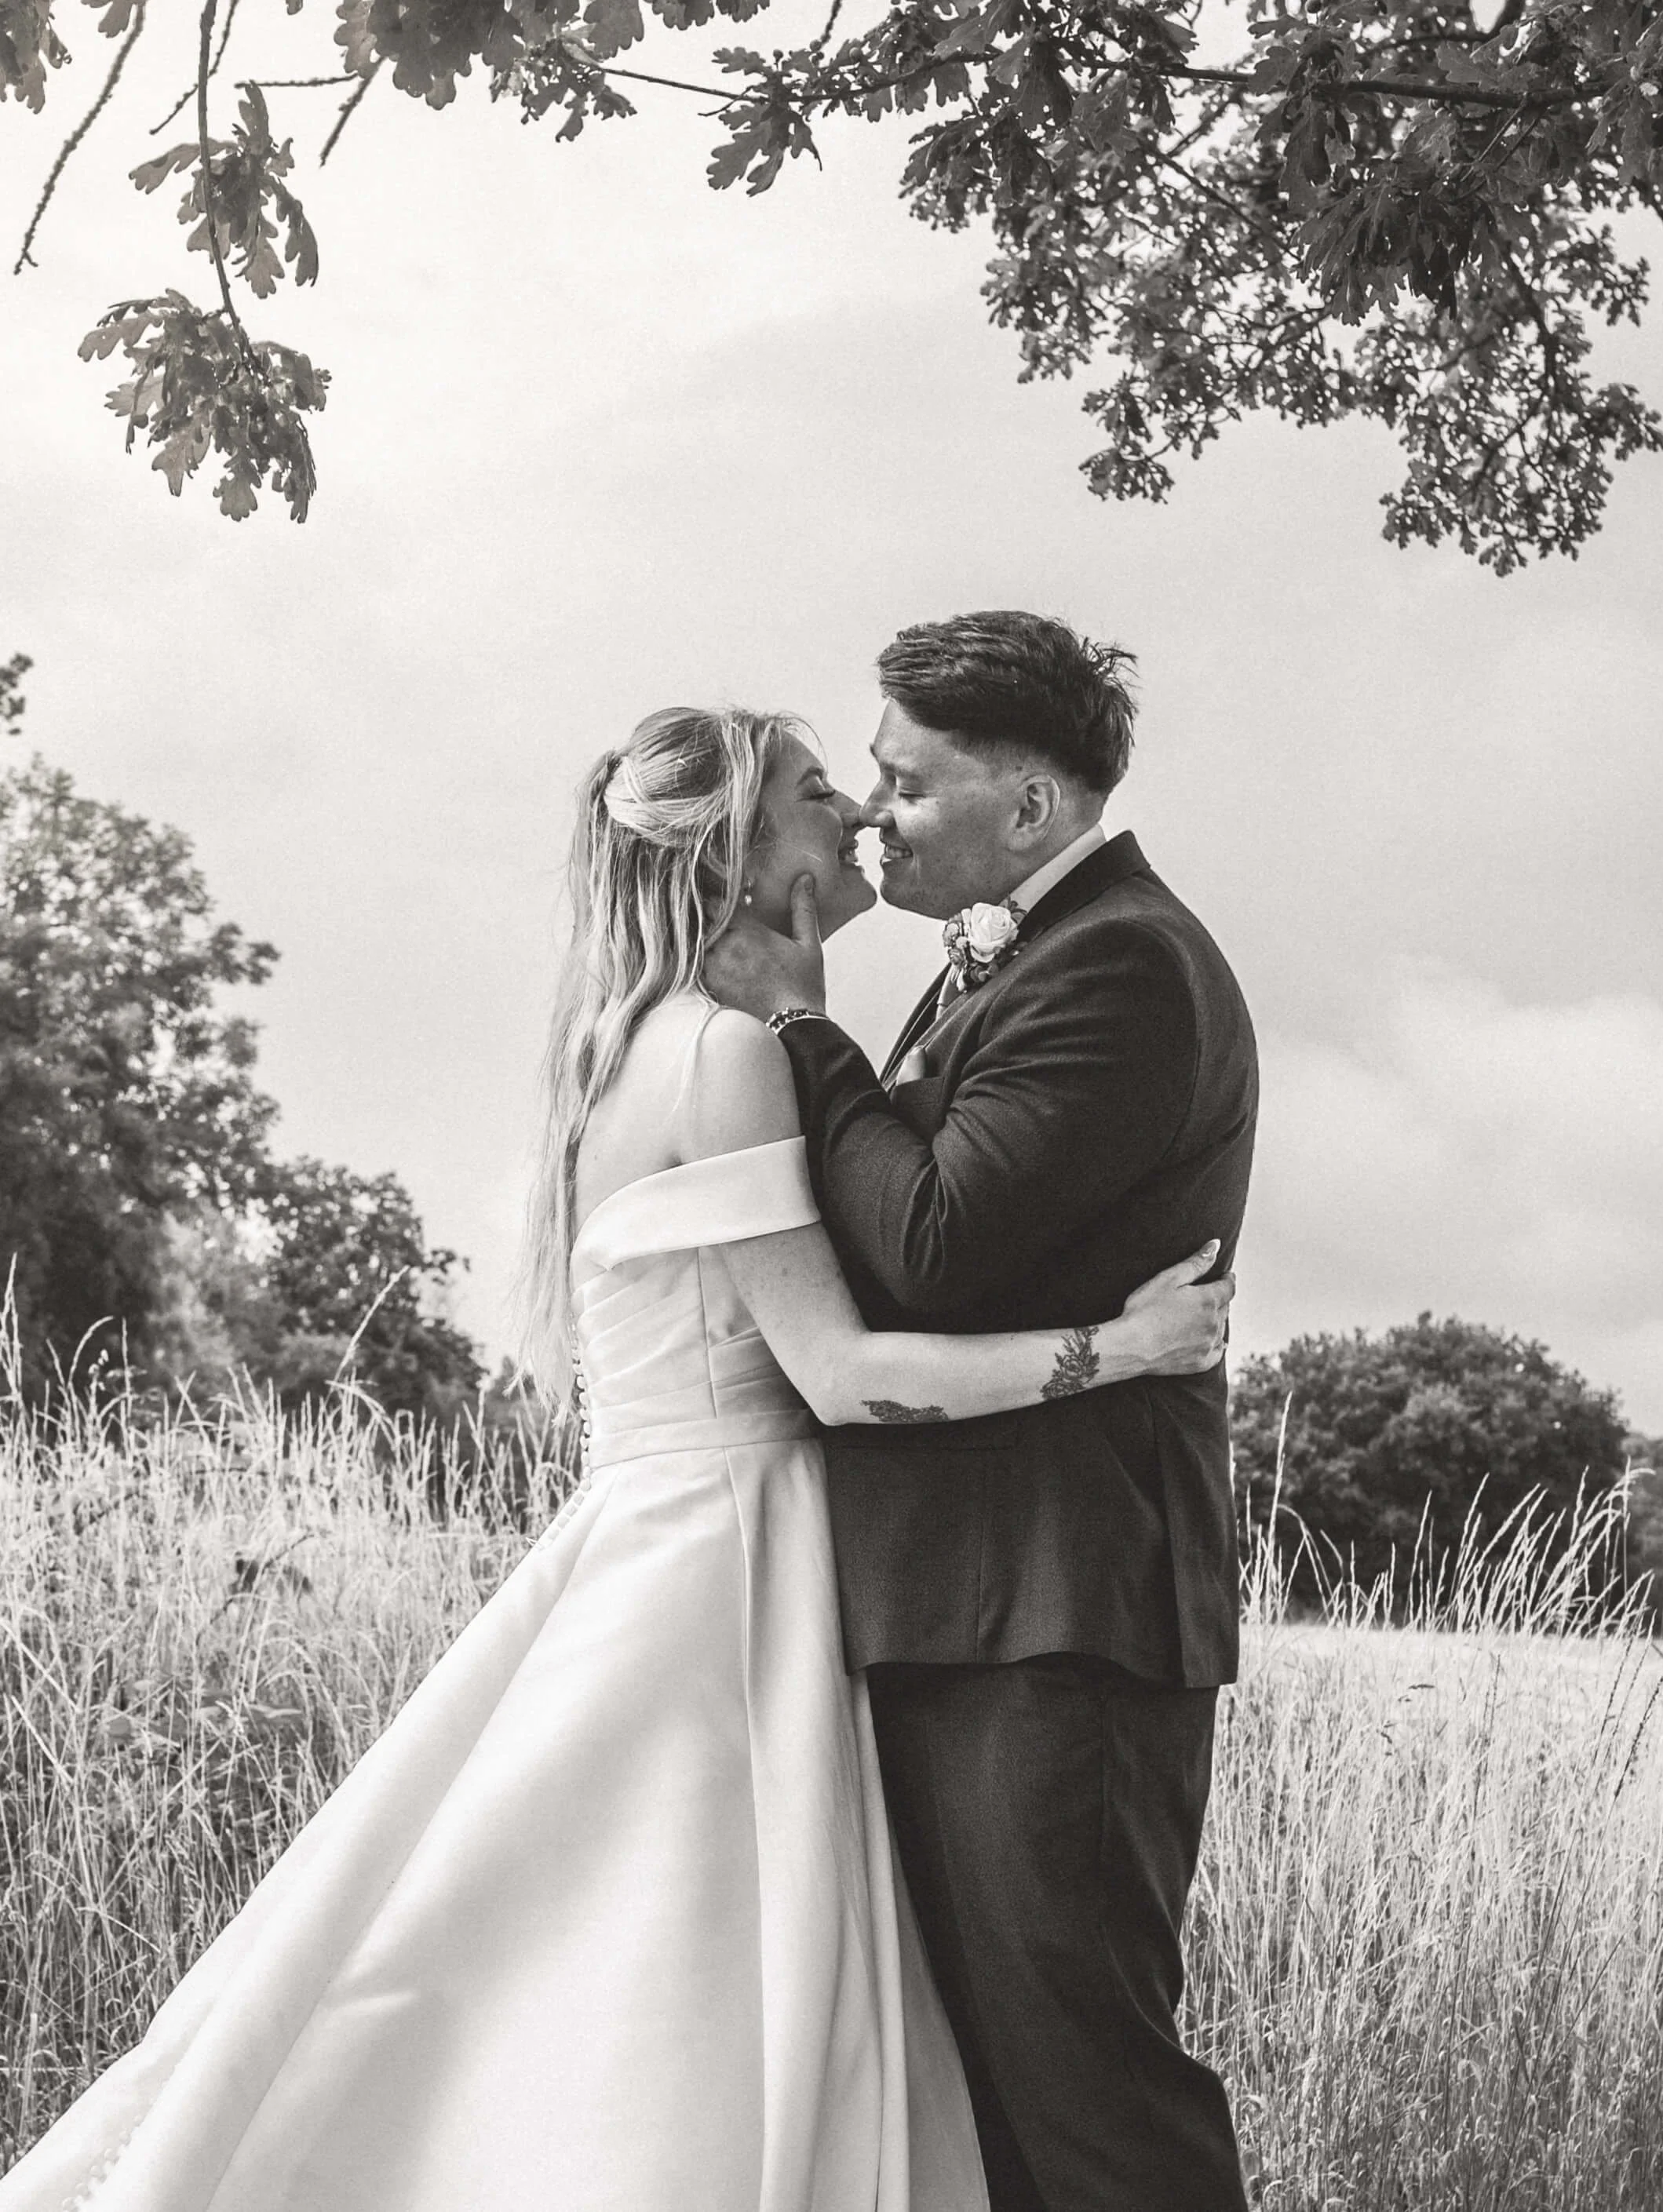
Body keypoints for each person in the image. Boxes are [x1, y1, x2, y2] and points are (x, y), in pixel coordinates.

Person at [0, 704, 1231, 2212]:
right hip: (731, 1571)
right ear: (734, 854)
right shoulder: (725, 1057)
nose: (852, 811)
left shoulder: (626, 1053)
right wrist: (1126, 1349)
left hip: (673, 1541)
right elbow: (841, 1377)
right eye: (815, 789)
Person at [706, 613, 1259, 2212]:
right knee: (994, 2112)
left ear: (1027, 806)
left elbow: (935, 1251)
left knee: (1089, 2096)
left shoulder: (1127, 967)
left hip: (1060, 1616)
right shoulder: (1026, 959)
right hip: (966, 1606)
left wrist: (806, 1026)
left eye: (906, 782)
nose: (873, 815)